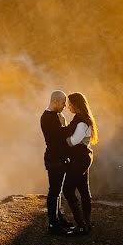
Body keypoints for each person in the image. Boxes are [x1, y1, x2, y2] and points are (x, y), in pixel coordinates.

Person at [62, 92, 98, 236]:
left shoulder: (81, 121)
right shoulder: (82, 119)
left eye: (70, 104)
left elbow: (73, 141)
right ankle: (86, 224)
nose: (68, 106)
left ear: (76, 105)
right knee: (83, 190)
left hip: (80, 160)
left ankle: (81, 225)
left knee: (68, 190)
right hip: (83, 158)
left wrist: (59, 141)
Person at [40, 90, 75, 235]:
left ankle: (59, 219)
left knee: (57, 190)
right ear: (55, 101)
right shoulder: (48, 118)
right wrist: (67, 125)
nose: (65, 106)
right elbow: (59, 137)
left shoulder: (54, 116)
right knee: (54, 191)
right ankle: (53, 224)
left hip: (58, 158)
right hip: (54, 159)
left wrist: (63, 124)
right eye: (63, 103)